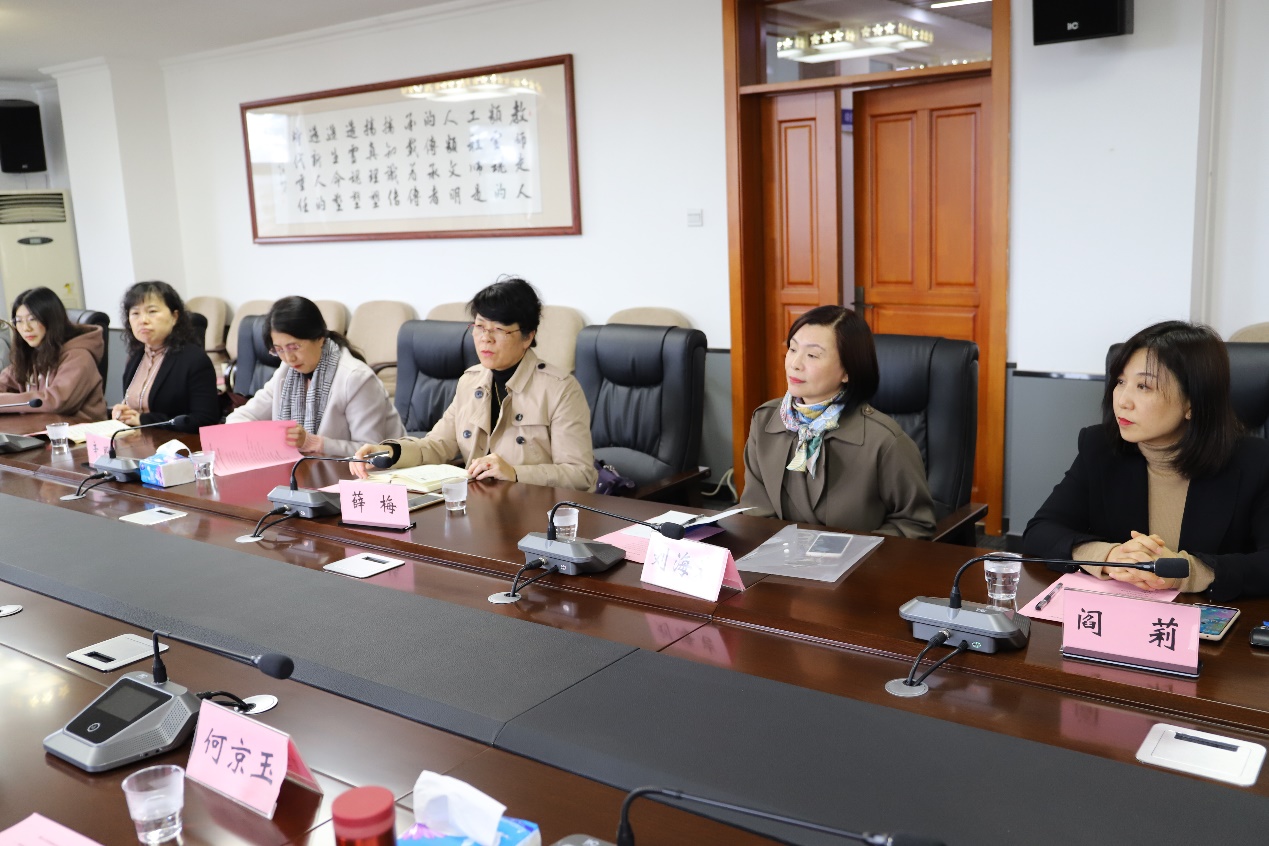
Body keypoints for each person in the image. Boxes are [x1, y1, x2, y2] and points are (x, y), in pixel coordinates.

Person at [1024, 321, 1269, 601]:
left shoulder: (1255, 462)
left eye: (1143, 386)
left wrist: (1185, 572)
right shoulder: (1100, 447)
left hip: (1209, 618)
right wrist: (1109, 557)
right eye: (1120, 382)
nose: (1122, 401)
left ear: (1192, 403)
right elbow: (1041, 530)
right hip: (1123, 612)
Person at [352, 277, 597, 491]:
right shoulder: (470, 381)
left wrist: (515, 473)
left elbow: (580, 474)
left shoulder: (560, 389)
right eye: (479, 327)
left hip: (533, 509)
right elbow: (437, 445)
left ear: (528, 336)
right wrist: (391, 452)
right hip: (478, 504)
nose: (485, 338)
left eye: (499, 329)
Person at [737, 305, 935, 538]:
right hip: (779, 555)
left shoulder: (884, 440)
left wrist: (855, 551)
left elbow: (916, 525)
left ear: (847, 371)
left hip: (859, 560)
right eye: (792, 349)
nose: (795, 363)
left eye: (812, 355)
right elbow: (755, 510)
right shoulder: (765, 421)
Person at [226, 296, 404, 455]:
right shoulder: (286, 372)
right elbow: (241, 417)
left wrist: (312, 442)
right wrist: (265, 435)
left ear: (319, 338)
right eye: (279, 350)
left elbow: (370, 451)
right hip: (313, 469)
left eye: (294, 347)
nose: (289, 358)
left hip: (382, 473)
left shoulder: (355, 378)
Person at [112, 281, 219, 433]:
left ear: (175, 316)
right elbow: (136, 406)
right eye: (135, 313)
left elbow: (205, 420)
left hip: (177, 444)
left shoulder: (194, 359)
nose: (143, 320)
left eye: (152, 311)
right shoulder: (136, 356)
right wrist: (123, 413)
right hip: (137, 440)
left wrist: (143, 420)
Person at [0, 287, 105, 422]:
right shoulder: (32, 352)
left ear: (51, 320)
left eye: (32, 319)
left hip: (80, 431)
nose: (26, 328)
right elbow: (5, 381)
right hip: (40, 428)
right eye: (19, 321)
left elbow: (56, 401)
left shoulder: (79, 356)